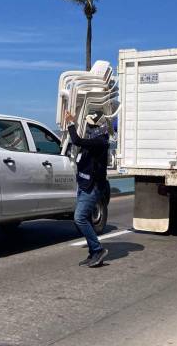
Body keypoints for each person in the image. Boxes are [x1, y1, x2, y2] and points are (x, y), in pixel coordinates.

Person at [64, 110, 110, 268]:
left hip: (93, 186)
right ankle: (93, 253)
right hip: (84, 184)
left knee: (79, 218)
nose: (88, 126)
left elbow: (77, 140)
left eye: (91, 124)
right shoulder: (94, 139)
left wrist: (70, 123)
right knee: (84, 219)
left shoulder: (100, 142)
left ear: (98, 125)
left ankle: (98, 249)